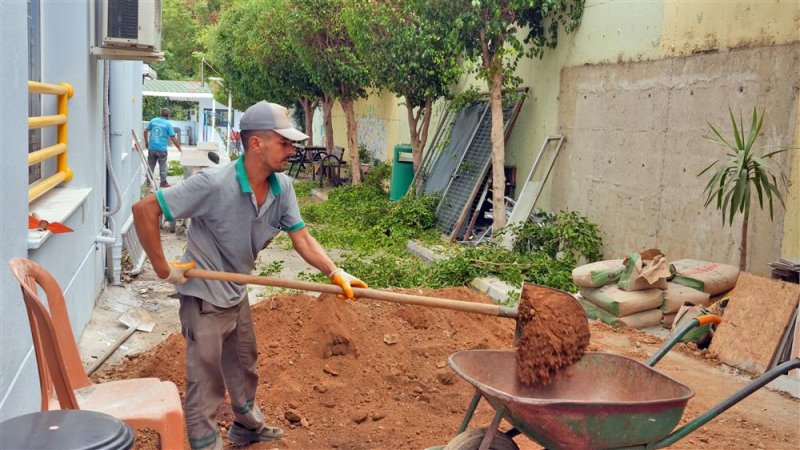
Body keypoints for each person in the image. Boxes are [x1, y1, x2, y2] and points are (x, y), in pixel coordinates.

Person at [132, 100, 367, 450]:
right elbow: (144, 209)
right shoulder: (214, 183)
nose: (292, 150)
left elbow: (301, 237)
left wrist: (335, 272)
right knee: (206, 379)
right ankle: (205, 443)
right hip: (205, 294)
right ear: (256, 143)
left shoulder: (282, 187)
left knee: (244, 363)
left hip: (236, 290)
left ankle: (247, 426)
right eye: (284, 142)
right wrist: (165, 270)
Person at [144, 107, 182, 188]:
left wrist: (146, 142)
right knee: (163, 166)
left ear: (160, 113)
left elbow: (145, 131)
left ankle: (148, 182)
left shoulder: (153, 121)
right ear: (168, 115)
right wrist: (179, 148)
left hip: (152, 148)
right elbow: (173, 138)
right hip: (161, 149)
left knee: (150, 165)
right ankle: (163, 182)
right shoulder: (168, 124)